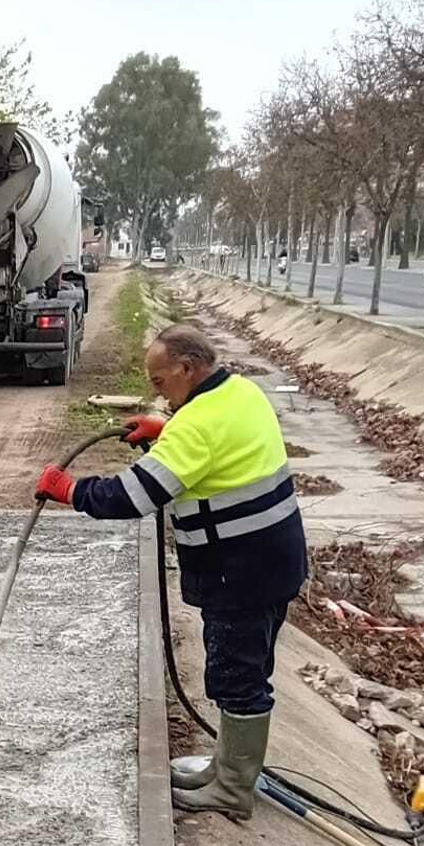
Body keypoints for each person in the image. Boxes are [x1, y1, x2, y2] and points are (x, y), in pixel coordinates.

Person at [32, 323, 307, 818]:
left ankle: (233, 790)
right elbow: (220, 448)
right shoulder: (241, 392)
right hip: (273, 560)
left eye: (160, 382)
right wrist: (165, 431)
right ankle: (225, 768)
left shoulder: (195, 426)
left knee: (237, 677)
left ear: (187, 368)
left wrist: (71, 491)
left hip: (239, 573)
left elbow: (133, 496)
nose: (158, 393)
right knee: (247, 668)